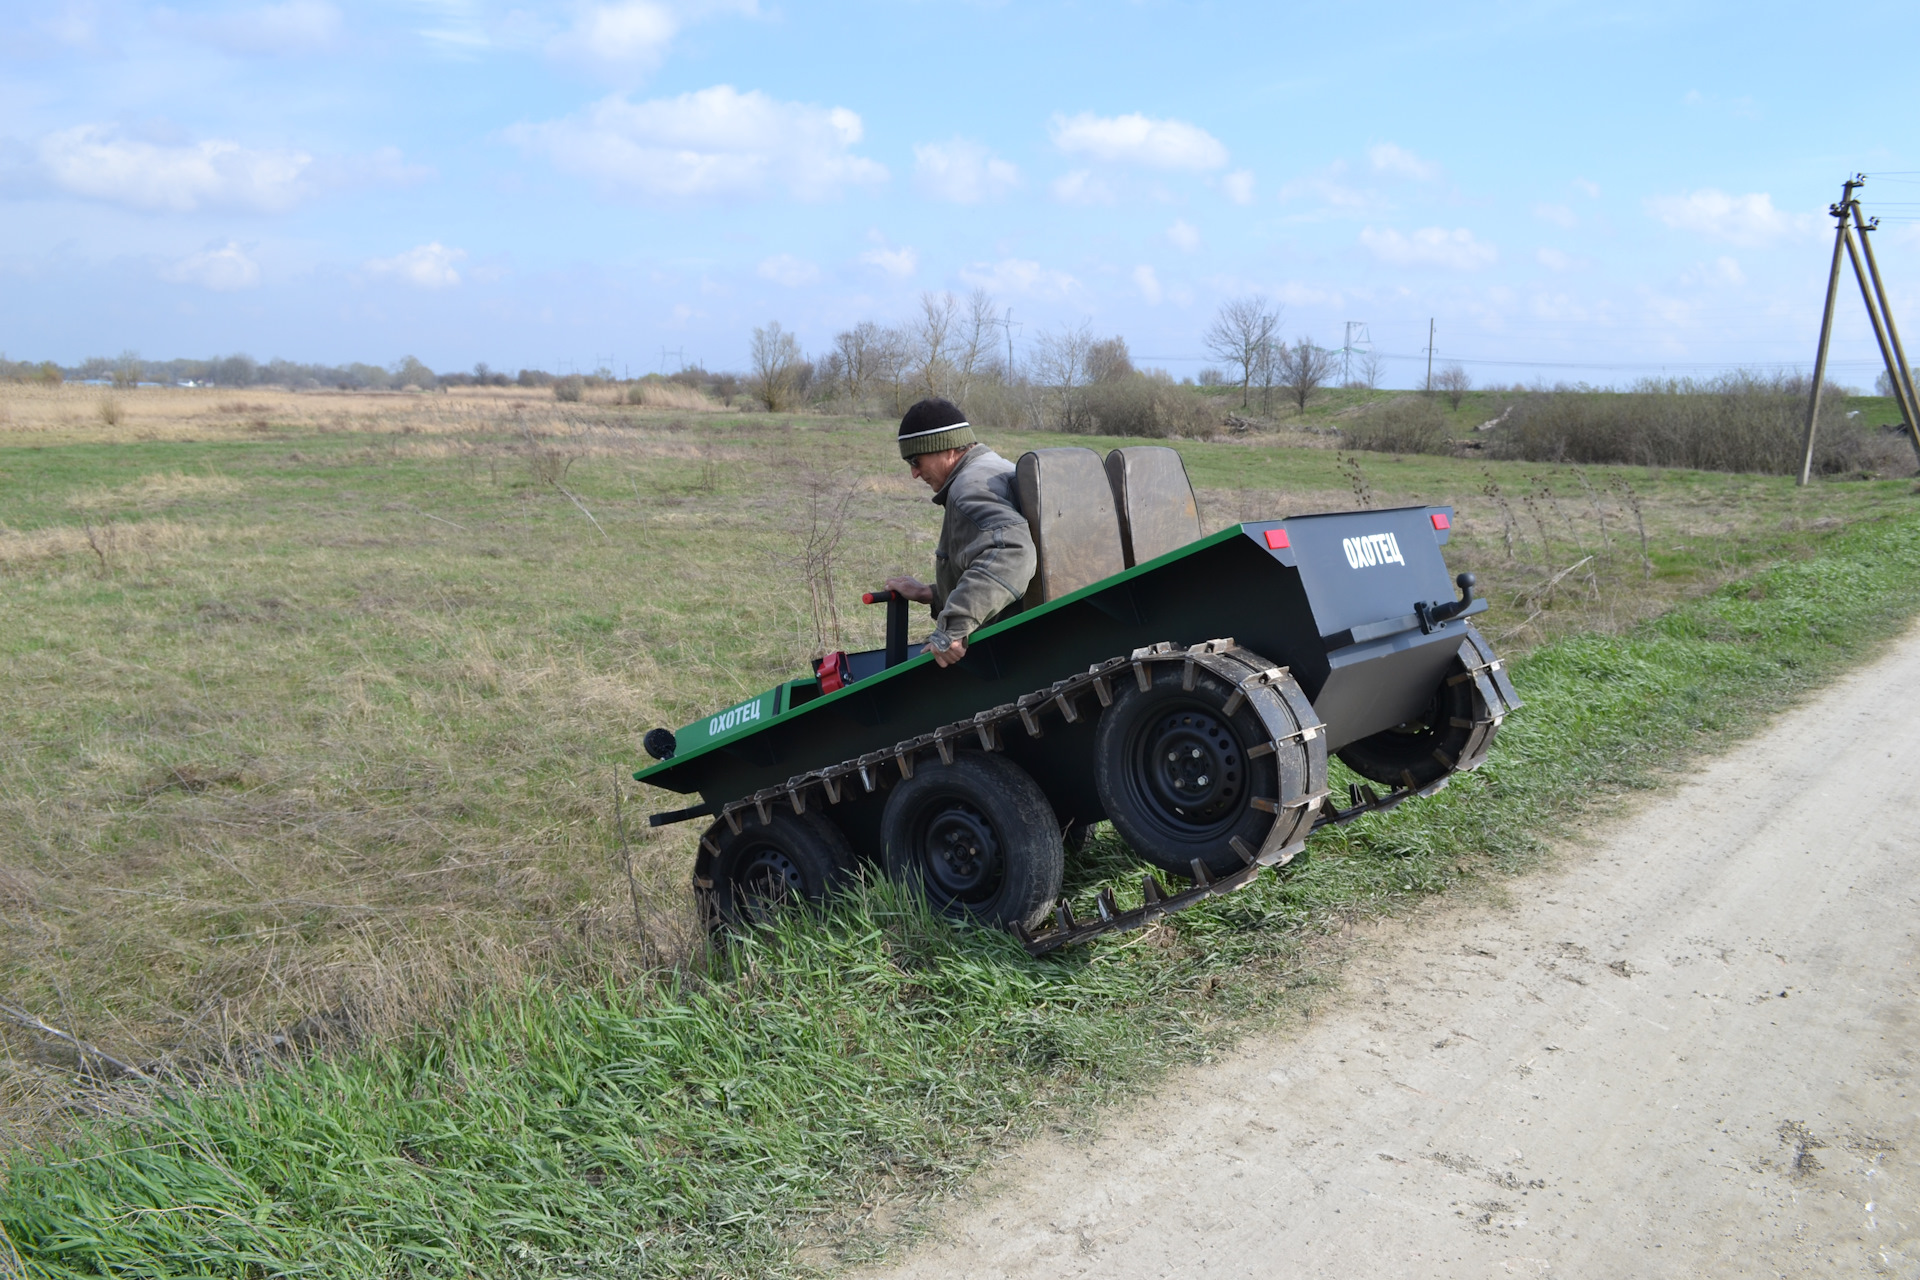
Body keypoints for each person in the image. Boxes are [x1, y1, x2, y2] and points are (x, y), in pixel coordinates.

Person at [883, 397, 1035, 668]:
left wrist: (953, 627)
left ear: (947, 448)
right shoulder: (995, 465)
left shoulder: (968, 489)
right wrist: (932, 594)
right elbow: (989, 562)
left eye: (916, 460)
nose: (914, 474)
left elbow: (1013, 554)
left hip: (1011, 654)